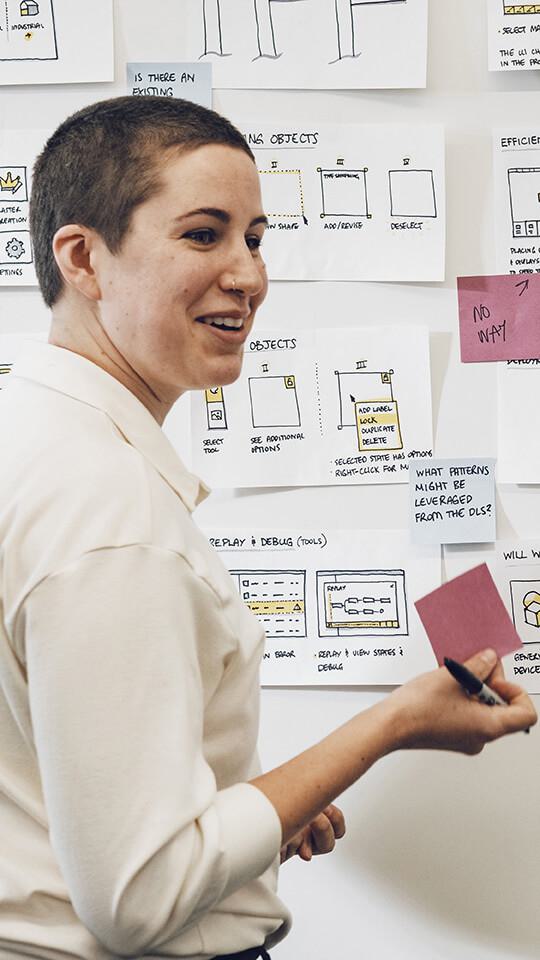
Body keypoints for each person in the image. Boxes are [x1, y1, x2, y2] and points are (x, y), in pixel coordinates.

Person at [0, 96, 535, 960]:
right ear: (83, 258)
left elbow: (64, 785)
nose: (248, 275)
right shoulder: (106, 506)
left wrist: (263, 809)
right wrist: (393, 723)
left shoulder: (35, 438)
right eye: (203, 235)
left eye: (253, 238)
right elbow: (139, 897)